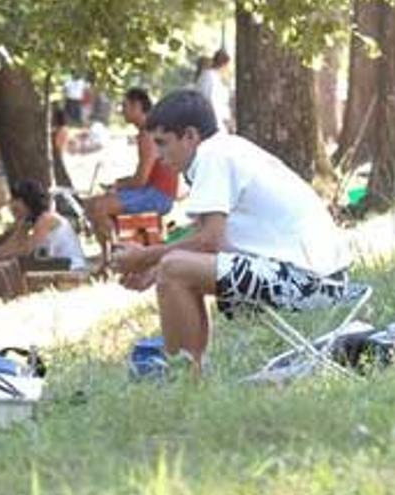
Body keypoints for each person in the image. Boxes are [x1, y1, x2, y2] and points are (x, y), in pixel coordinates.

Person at [111, 90, 352, 380]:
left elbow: (209, 242)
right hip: (323, 274)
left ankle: (186, 379)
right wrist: (150, 269)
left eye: (163, 143)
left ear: (190, 136)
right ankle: (190, 375)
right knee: (173, 268)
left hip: (309, 282)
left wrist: (144, 257)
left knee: (173, 268)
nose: (159, 157)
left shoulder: (213, 157)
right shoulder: (224, 150)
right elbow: (207, 238)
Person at [84, 88, 179, 266]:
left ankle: (114, 258)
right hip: (153, 191)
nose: (122, 110)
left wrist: (117, 186)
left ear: (137, 106)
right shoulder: (149, 131)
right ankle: (109, 257)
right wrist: (118, 186)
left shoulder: (148, 134)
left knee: (98, 206)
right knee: (91, 204)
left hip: (158, 195)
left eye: (125, 106)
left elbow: (140, 180)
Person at [194, 49, 233, 132]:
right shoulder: (210, 77)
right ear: (224, 65)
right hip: (214, 124)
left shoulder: (216, 78)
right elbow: (212, 102)